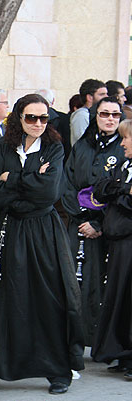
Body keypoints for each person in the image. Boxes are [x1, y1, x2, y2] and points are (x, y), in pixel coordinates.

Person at [0, 94, 84, 395]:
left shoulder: (54, 147)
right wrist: (29, 178)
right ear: (19, 118)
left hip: (44, 232)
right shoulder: (2, 148)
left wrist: (12, 179)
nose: (38, 124)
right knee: (9, 298)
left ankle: (57, 370)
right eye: (31, 118)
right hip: (10, 229)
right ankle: (1, 366)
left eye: (44, 118)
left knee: (49, 298)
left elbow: (48, 194)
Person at [62, 96, 124, 346]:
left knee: (105, 283)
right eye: (104, 114)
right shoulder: (83, 146)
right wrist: (80, 216)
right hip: (78, 225)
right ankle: (80, 336)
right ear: (95, 116)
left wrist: (97, 223)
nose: (109, 119)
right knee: (79, 282)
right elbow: (67, 183)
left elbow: (119, 191)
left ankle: (105, 339)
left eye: (115, 115)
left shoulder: (124, 148)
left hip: (109, 228)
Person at [91, 118, 132, 378]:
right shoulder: (125, 165)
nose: (123, 144)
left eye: (126, 138)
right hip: (117, 241)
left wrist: (117, 193)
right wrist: (124, 190)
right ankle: (120, 351)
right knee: (117, 297)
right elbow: (101, 188)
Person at [70, 79, 107, 145]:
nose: (106, 97)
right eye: (102, 94)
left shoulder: (94, 114)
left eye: (106, 94)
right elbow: (84, 142)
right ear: (89, 97)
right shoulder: (81, 115)